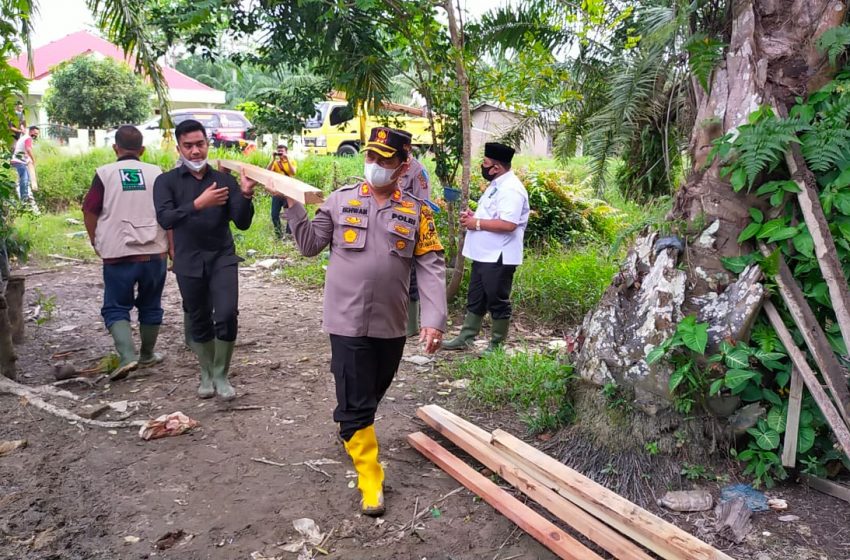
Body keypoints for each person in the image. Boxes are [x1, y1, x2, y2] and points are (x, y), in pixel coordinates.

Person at [283, 126, 447, 516]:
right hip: (345, 318)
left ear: (403, 164)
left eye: (384, 159)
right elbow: (309, 246)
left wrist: (434, 319)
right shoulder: (340, 202)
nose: (373, 164)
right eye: (370, 157)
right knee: (358, 398)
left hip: (391, 322)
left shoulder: (417, 212)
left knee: (371, 392)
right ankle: (370, 478)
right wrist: (292, 205)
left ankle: (349, 425)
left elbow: (431, 266)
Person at [153, 119, 255, 401]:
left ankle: (222, 374)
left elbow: (242, 222)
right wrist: (199, 203)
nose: (195, 151)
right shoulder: (166, 182)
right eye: (188, 146)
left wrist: (245, 195)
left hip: (221, 256)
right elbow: (165, 218)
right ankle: (206, 372)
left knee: (225, 314)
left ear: (207, 144)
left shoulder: (223, 181)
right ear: (179, 148)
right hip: (188, 259)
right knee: (198, 317)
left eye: (200, 144)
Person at [82, 125, 168, 380]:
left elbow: (89, 210)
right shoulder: (156, 173)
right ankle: (148, 354)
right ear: (142, 149)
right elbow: (167, 211)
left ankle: (127, 356)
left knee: (116, 306)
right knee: (151, 304)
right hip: (154, 251)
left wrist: (95, 240)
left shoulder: (105, 174)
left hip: (119, 254)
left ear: (115, 148)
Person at [442, 142, 529, 352]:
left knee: (497, 299)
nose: (483, 166)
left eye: (485, 163)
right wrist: (474, 217)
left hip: (499, 256)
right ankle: (466, 337)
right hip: (483, 254)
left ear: (496, 167)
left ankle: (497, 344)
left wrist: (477, 224)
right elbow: (493, 216)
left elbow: (509, 224)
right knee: (476, 296)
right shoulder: (496, 186)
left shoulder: (512, 190)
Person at [393, 129, 432, 336]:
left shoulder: (417, 171)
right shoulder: (386, 165)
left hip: (408, 229)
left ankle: (412, 326)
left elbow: (423, 204)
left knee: (412, 278)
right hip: (386, 230)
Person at [268, 144, 297, 238]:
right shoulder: (276, 163)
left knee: (290, 213)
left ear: (286, 152)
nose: (280, 153)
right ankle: (278, 234)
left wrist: (287, 159)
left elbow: (293, 172)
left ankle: (289, 233)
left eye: (282, 152)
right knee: (274, 214)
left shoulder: (292, 161)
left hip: (288, 192)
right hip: (277, 192)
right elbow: (267, 172)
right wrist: (272, 159)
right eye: (278, 152)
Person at [10, 126, 38, 205]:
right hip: (19, 162)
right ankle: (24, 199)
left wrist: (28, 159)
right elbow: (28, 149)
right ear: (31, 132)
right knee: (25, 180)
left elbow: (22, 150)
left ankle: (23, 198)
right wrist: (33, 159)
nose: (36, 135)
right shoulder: (28, 138)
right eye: (35, 133)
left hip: (16, 161)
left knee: (24, 179)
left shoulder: (22, 138)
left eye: (37, 134)